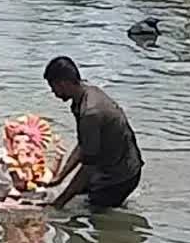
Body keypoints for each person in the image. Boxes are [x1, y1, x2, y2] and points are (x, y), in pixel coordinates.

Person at [43, 56, 144, 209]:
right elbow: (83, 146)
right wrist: (60, 177)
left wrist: (59, 204)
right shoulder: (85, 94)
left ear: (62, 83)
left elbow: (89, 166)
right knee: (76, 196)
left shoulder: (90, 112)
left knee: (90, 215)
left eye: (53, 87)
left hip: (121, 176)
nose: (53, 92)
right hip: (111, 163)